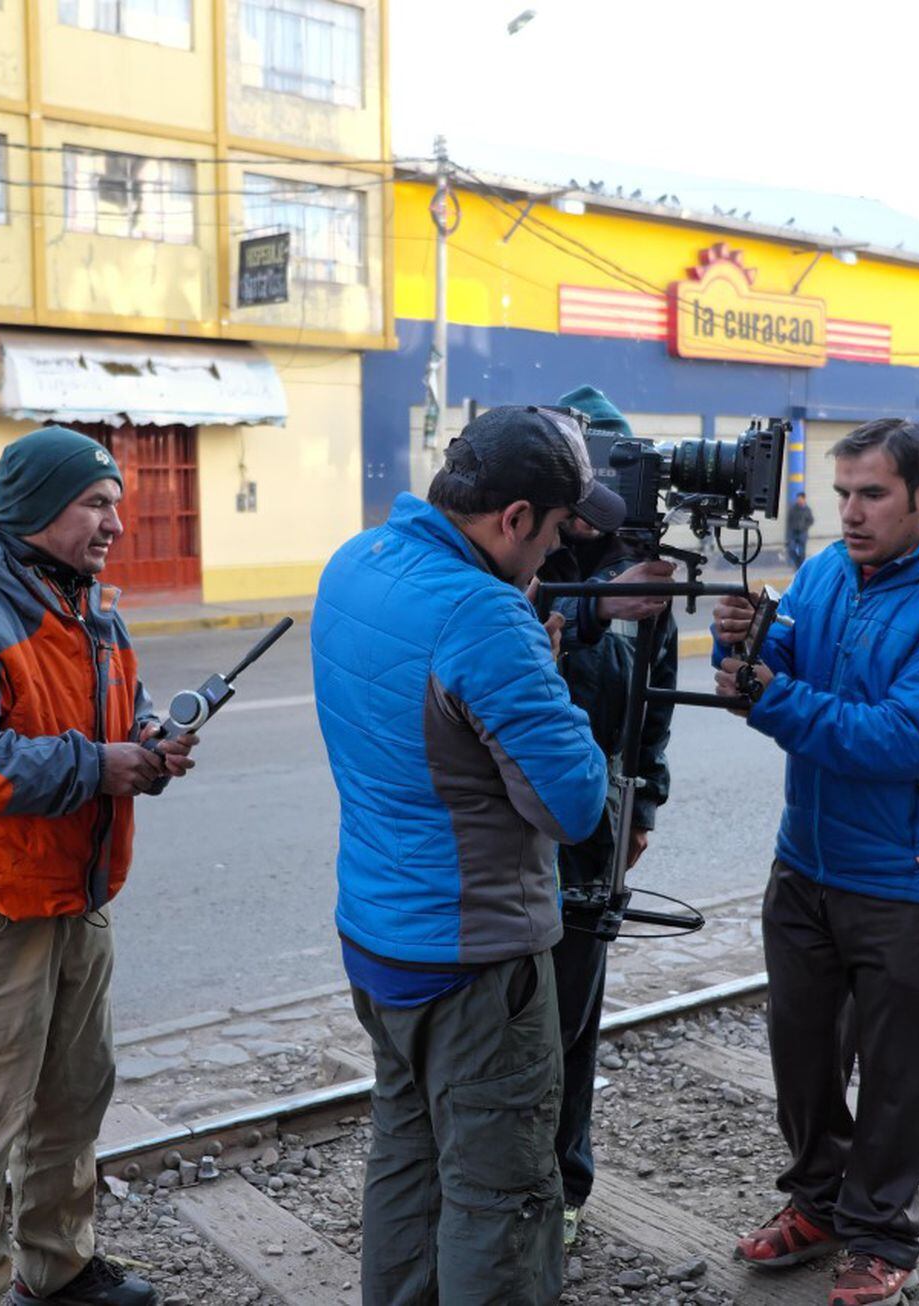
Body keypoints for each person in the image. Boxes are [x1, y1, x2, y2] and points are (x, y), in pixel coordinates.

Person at [310, 405, 622, 1305]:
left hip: (376, 936)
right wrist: (548, 679)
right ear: (514, 519)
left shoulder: (354, 564)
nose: (559, 553)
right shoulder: (484, 616)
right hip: (474, 961)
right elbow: (570, 803)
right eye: (559, 529)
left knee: (406, 1160)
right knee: (503, 1197)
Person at [0, 425, 198, 1306]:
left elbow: (118, 714)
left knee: (72, 1103)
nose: (115, 523)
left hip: (74, 901)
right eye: (96, 503)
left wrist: (147, 743)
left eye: (116, 504)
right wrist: (97, 765)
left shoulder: (90, 606)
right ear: (36, 509)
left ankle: (57, 1271)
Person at [711, 419, 919, 1306]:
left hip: (907, 877)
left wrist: (771, 692)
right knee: (799, 1056)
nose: (850, 512)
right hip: (804, 862)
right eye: (842, 493)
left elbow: (901, 742)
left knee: (894, 1074)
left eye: (872, 494)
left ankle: (881, 1239)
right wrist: (744, 647)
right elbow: (774, 679)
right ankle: (817, 1204)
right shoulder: (823, 573)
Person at [540, 385, 679, 1248]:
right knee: (523, 1026)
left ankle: (563, 1189)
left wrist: (648, 799)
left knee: (575, 1018)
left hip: (599, 827)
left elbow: (653, 700)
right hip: (522, 825)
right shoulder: (520, 567)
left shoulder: (641, 577)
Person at [786, 492, 815, 570]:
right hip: (793, 533)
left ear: (804, 499)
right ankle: (798, 565)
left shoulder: (807, 509)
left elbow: (811, 520)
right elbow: (789, 521)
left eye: (800, 499)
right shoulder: (793, 509)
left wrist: (805, 527)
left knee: (802, 552)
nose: (799, 500)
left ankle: (801, 567)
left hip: (802, 533)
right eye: (797, 499)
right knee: (791, 550)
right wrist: (789, 534)